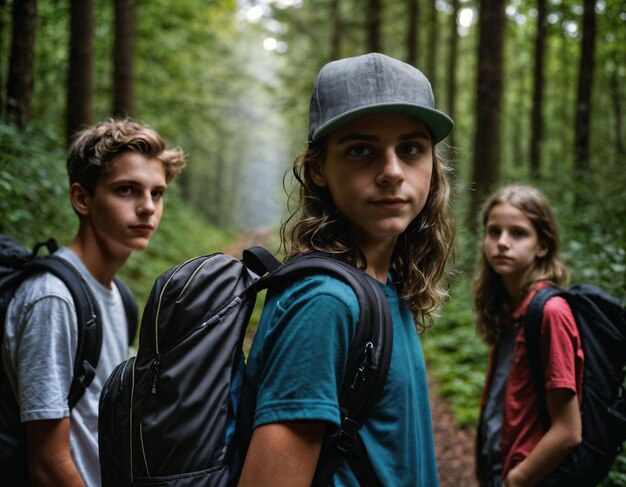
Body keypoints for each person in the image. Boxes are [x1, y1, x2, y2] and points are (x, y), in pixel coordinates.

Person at [238, 52, 455, 486]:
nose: (393, 172)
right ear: (318, 169)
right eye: (361, 150)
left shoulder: (385, 282)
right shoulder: (325, 304)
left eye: (411, 148)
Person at [2, 118, 185, 486]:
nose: (148, 207)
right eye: (127, 190)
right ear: (82, 198)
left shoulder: (119, 297)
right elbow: (48, 464)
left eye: (157, 193)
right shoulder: (53, 299)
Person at [473, 185, 583, 487]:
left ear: (542, 245)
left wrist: (517, 480)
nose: (502, 243)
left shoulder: (550, 312)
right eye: (494, 232)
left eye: (518, 233)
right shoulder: (509, 309)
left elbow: (568, 430)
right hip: (499, 468)